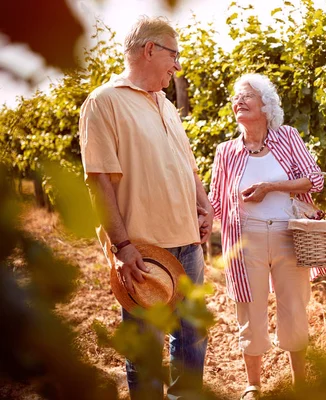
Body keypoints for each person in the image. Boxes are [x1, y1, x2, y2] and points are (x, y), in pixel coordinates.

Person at [78, 16, 212, 400]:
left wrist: (204, 207)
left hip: (188, 244)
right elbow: (99, 180)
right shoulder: (104, 102)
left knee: (192, 340)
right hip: (143, 251)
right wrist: (122, 246)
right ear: (149, 50)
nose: (178, 65)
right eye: (175, 54)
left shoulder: (166, 104)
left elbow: (188, 164)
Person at [208, 73, 326, 399]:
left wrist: (271, 187)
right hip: (247, 239)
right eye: (236, 98)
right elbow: (216, 202)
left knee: (294, 306)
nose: (239, 101)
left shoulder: (287, 137)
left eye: (247, 96)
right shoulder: (226, 152)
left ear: (267, 105)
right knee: (250, 308)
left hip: (291, 235)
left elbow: (313, 180)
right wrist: (198, 217)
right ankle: (253, 386)